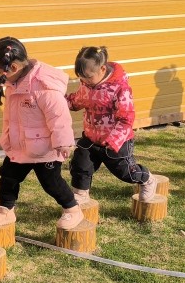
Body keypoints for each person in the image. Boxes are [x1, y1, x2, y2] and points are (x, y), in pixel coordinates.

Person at [0, 37, 84, 230]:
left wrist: (63, 143)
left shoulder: (44, 87)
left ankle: (72, 209)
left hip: (45, 149)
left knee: (51, 183)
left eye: (1, 72)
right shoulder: (14, 82)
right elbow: (12, 116)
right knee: (8, 176)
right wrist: (8, 137)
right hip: (20, 145)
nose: (0, 77)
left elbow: (59, 117)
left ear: (14, 67)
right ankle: (5, 211)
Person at [66, 46, 157, 203]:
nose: (84, 81)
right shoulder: (87, 85)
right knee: (80, 164)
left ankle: (146, 179)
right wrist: (61, 101)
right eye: (81, 78)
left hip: (116, 142)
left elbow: (126, 118)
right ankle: (81, 193)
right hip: (91, 137)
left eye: (88, 77)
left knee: (125, 172)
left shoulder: (120, 88)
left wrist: (114, 140)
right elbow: (77, 100)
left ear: (102, 69)